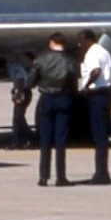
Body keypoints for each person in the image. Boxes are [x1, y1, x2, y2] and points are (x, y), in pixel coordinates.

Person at [33, 34, 75, 186]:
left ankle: (43, 176)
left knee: (45, 139)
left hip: (46, 99)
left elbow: (32, 79)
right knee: (61, 141)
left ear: (51, 43)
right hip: (63, 98)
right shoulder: (69, 60)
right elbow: (73, 81)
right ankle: (61, 177)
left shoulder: (42, 59)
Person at [77, 29, 111, 184]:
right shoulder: (104, 51)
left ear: (88, 40)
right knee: (103, 135)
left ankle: (101, 174)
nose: (80, 44)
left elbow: (95, 70)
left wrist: (86, 86)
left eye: (81, 40)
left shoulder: (92, 53)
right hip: (107, 93)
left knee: (98, 135)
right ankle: (102, 171)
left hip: (97, 94)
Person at [6, 51, 37, 150]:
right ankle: (28, 139)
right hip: (24, 91)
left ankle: (22, 140)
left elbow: (21, 80)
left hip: (23, 92)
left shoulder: (13, 66)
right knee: (19, 118)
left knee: (17, 118)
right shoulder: (17, 66)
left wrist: (19, 94)